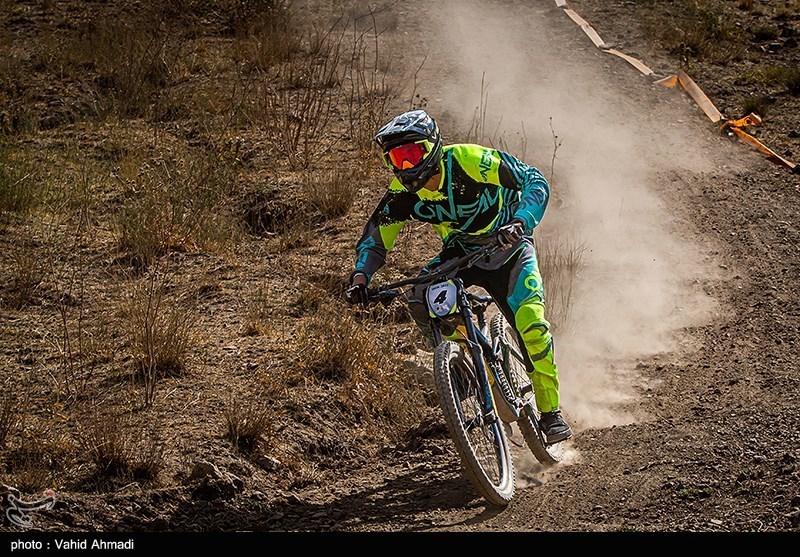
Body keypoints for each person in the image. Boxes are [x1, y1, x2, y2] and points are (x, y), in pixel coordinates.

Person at [345, 109, 572, 444]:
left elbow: (533, 180)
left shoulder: (468, 160)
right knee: (419, 298)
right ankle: (460, 370)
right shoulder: (401, 192)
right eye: (397, 158)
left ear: (433, 146)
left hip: (508, 245)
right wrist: (361, 276)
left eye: (412, 154)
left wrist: (522, 220)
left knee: (531, 323)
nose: (406, 166)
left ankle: (551, 412)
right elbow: (378, 236)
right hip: (462, 253)